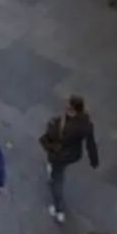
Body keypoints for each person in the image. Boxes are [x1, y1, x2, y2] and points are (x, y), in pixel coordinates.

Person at [38, 95, 100, 224]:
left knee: (57, 181)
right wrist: (94, 160)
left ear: (72, 109)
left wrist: (50, 128)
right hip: (73, 155)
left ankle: (58, 209)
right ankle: (53, 171)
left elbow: (49, 137)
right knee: (59, 169)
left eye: (68, 106)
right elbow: (91, 144)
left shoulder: (61, 124)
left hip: (59, 155)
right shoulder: (86, 124)